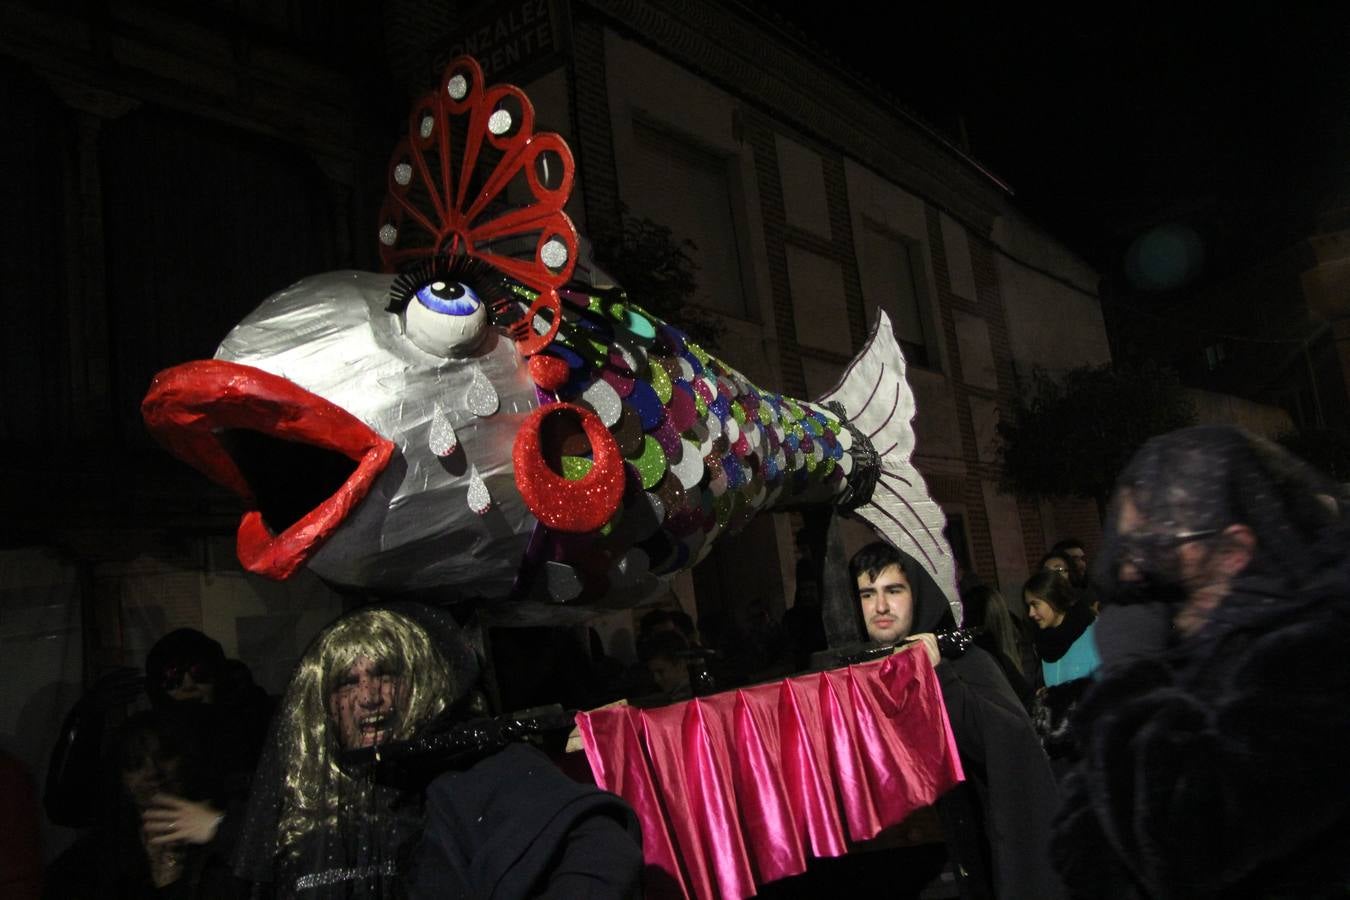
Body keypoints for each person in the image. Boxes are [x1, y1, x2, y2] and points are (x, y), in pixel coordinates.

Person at [1052, 426, 1350, 898]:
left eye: (1156, 543)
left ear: (1233, 551)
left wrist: (1129, 672)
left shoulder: (1317, 655)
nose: (1131, 569)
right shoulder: (1183, 651)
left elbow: (1186, 840)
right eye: (1128, 544)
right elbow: (1077, 843)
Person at [233, 602, 643, 898]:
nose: (368, 698)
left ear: (420, 683)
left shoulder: (476, 768)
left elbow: (599, 847)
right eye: (347, 683)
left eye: (385, 676)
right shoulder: (309, 800)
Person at [824, 541, 1066, 899]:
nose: (880, 607)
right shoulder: (846, 676)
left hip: (959, 864)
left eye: (894, 590)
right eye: (867, 594)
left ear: (917, 594)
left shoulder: (965, 662)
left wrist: (940, 678)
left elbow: (1007, 745)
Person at [1022, 571, 1100, 770]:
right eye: (1028, 606)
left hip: (1093, 746)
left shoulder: (1094, 634)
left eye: (1035, 604)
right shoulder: (1041, 642)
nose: (1031, 613)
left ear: (1053, 599)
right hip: (1060, 751)